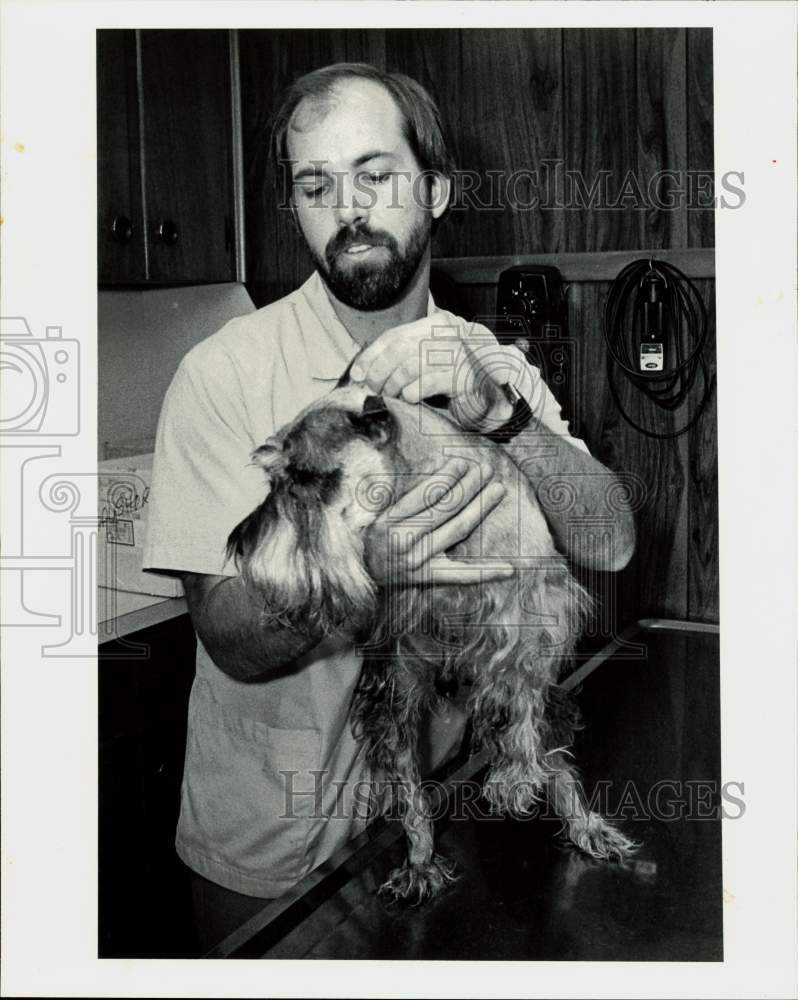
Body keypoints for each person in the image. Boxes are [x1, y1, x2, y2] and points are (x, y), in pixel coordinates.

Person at [143, 62, 635, 951]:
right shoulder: (223, 373)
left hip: (442, 818)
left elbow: (610, 544)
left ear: (437, 190)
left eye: (376, 174)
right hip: (275, 856)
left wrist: (506, 417)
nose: (348, 207)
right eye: (315, 185)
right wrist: (369, 568)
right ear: (292, 206)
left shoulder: (490, 362)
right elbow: (228, 636)